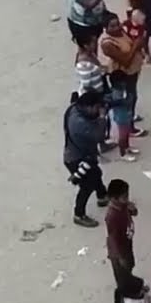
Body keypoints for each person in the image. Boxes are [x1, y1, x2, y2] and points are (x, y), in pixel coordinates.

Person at [99, 12, 146, 153]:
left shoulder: (122, 31)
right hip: (122, 75)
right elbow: (125, 60)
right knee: (127, 100)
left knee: (133, 96)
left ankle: (130, 121)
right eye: (112, 26)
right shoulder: (108, 44)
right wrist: (136, 46)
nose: (117, 27)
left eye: (117, 23)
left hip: (133, 72)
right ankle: (128, 128)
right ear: (105, 28)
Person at [63, 90, 109, 227]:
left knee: (96, 173)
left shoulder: (73, 109)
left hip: (83, 154)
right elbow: (99, 136)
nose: (98, 109)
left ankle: (102, 196)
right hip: (77, 158)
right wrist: (101, 118)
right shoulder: (80, 123)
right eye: (97, 107)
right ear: (88, 107)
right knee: (87, 185)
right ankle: (79, 214)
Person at [105, 178, 137, 303]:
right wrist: (120, 257)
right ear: (113, 198)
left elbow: (134, 213)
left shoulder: (123, 206)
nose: (127, 198)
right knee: (121, 277)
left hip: (127, 244)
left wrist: (132, 208)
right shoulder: (112, 216)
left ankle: (131, 287)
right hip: (119, 251)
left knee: (129, 268)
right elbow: (112, 238)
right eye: (124, 197)